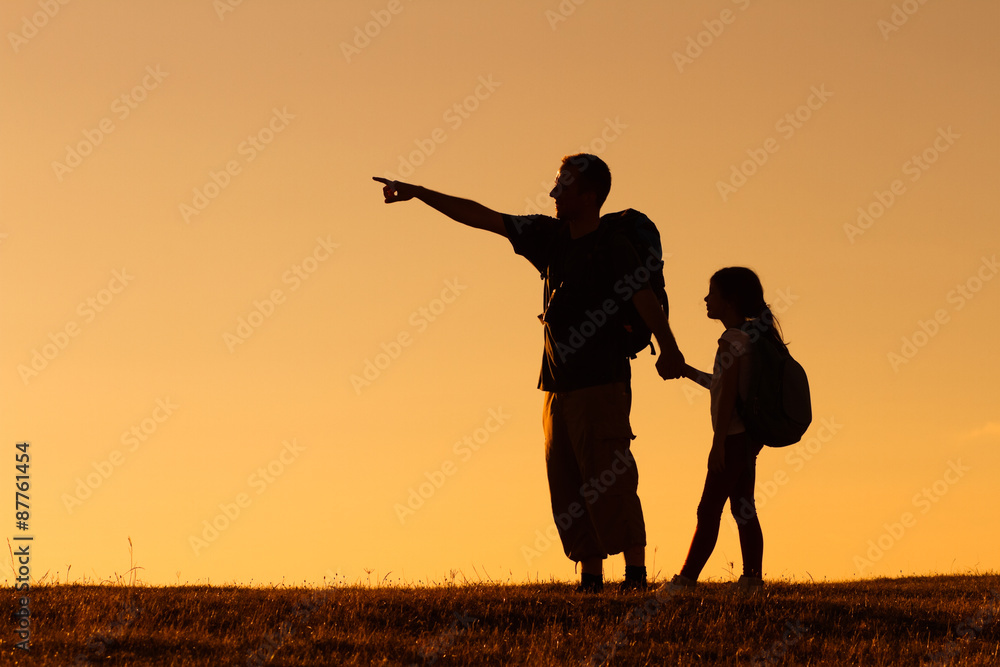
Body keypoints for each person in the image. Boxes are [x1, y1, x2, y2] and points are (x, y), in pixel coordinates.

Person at [373, 154, 685, 592]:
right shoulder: (548, 236)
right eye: (556, 185)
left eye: (565, 187)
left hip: (602, 383)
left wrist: (669, 348)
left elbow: (644, 299)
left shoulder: (614, 247)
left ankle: (635, 578)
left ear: (590, 196)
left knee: (610, 476)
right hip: (556, 388)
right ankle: (591, 581)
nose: (554, 194)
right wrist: (420, 193)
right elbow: (484, 217)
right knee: (569, 485)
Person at [669, 266, 785, 592]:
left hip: (733, 438)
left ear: (729, 301)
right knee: (743, 506)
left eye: (712, 293)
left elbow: (727, 399)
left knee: (708, 509)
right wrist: (687, 372)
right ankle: (751, 580)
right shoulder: (748, 339)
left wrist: (717, 444)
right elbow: (721, 385)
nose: (706, 299)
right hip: (747, 437)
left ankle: (686, 582)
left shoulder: (731, 341)